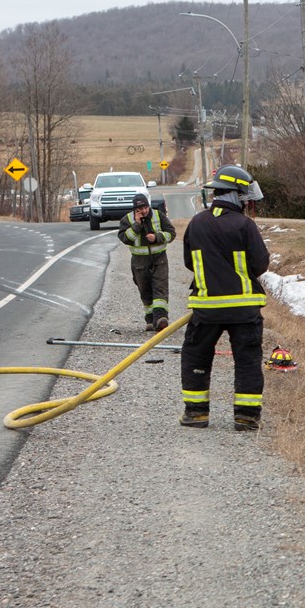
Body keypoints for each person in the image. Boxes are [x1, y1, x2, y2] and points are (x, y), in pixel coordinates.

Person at [179, 165, 270, 432]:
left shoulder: (196, 223)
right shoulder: (245, 225)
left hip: (206, 310)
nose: (247, 201)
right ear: (235, 194)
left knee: (196, 358)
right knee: (247, 361)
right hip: (244, 310)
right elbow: (260, 264)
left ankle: (196, 414)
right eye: (244, 196)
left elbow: (189, 262)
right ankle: (246, 417)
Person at [117, 192, 176, 332]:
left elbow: (171, 233)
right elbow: (125, 238)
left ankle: (161, 319)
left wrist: (157, 237)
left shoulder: (158, 215)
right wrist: (137, 226)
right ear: (135, 210)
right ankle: (150, 320)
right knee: (145, 291)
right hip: (139, 262)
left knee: (160, 288)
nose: (144, 211)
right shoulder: (127, 220)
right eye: (140, 209)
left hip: (159, 259)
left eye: (145, 208)